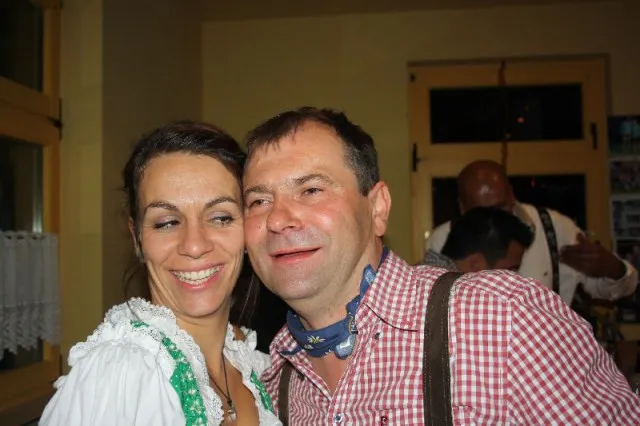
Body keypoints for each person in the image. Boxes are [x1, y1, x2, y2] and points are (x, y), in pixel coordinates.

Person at [242, 106, 640, 424]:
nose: (277, 219)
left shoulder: (504, 319)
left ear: (377, 208)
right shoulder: (268, 382)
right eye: (258, 201)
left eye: (311, 189)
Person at [41, 121, 281, 425]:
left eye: (220, 217)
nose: (194, 245)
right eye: (166, 222)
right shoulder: (122, 376)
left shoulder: (256, 362)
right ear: (137, 238)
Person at [426, 159, 638, 305]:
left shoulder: (554, 227)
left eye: (500, 207)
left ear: (511, 194)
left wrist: (612, 268)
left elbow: (612, 289)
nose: (495, 220)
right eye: (482, 212)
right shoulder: (442, 239)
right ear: (462, 208)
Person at [423, 206, 533, 273]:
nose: (516, 279)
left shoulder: (425, 279)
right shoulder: (451, 296)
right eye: (510, 270)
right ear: (475, 264)